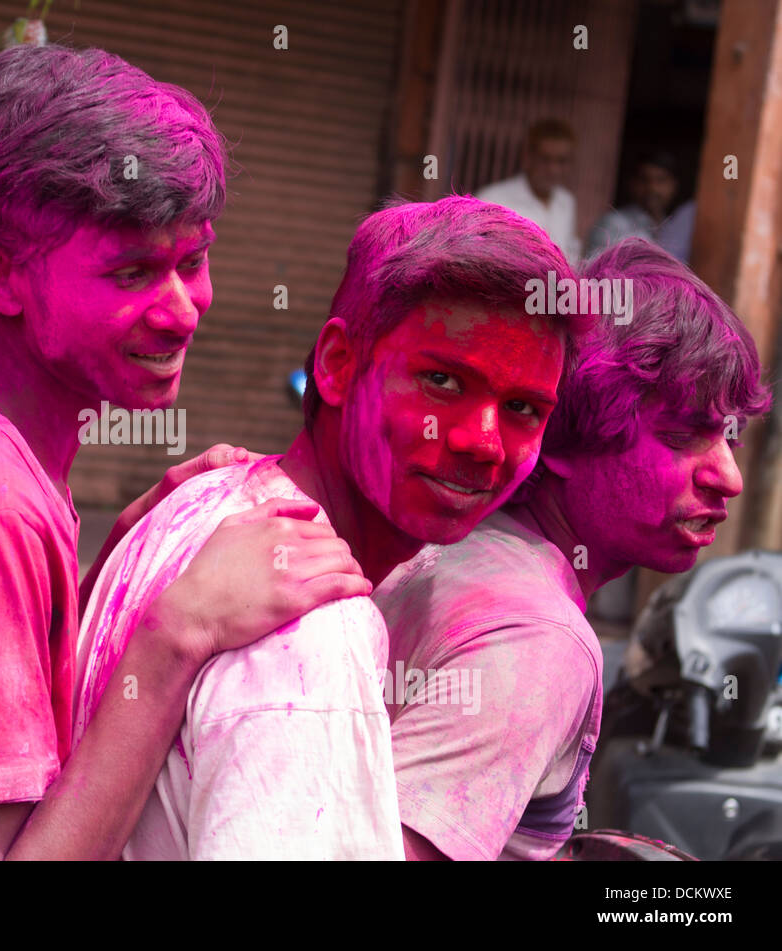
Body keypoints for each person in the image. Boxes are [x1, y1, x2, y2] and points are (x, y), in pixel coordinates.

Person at [0, 43, 369, 861]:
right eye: (132, 272)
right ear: (1, 276)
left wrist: (120, 554)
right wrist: (179, 630)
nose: (180, 312)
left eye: (193, 262)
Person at [73, 196, 591, 859]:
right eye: (441, 380)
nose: (483, 442)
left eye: (522, 407)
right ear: (338, 364)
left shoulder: (200, 496)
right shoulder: (309, 630)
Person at [372, 238, 771, 860]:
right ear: (564, 433)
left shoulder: (456, 547)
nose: (727, 477)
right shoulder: (538, 639)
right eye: (682, 436)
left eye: (728, 439)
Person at [477, 119, 581, 262]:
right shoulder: (493, 199)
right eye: (545, 159)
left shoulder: (567, 202)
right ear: (528, 157)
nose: (553, 170)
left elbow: (571, 256)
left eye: (561, 161)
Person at [584, 150, 681, 258]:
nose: (652, 188)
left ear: (674, 185)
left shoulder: (675, 228)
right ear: (632, 183)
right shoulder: (613, 224)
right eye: (644, 179)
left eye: (661, 180)